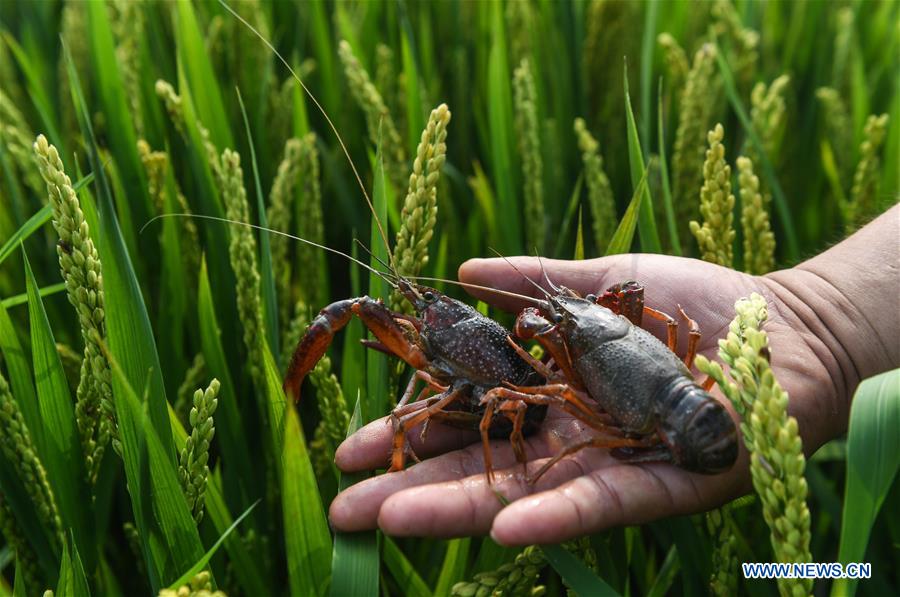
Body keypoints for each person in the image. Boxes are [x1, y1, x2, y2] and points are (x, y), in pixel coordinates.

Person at [328, 204, 899, 546]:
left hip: (682, 431)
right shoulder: (650, 336)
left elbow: (559, 385)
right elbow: (668, 332)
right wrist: (818, 322)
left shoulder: (558, 379)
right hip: (684, 401)